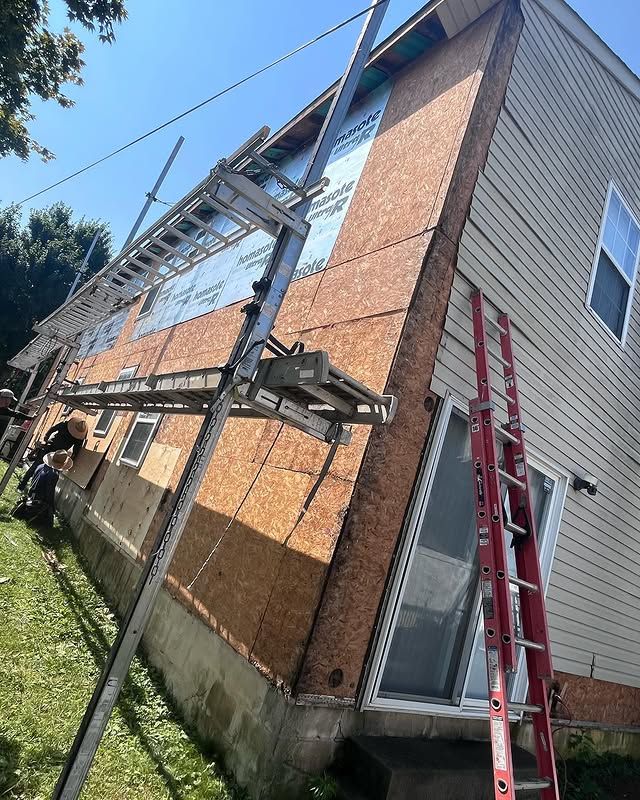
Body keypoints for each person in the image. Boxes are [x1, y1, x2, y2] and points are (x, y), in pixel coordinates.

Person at [17, 416, 87, 492]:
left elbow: (76, 450)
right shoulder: (65, 425)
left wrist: (72, 458)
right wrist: (46, 438)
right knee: (38, 467)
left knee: (43, 470)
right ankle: (23, 485)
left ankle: (31, 488)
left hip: (58, 454)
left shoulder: (74, 434)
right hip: (52, 449)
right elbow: (53, 429)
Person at [12, 449, 73, 527]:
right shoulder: (54, 474)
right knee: (48, 516)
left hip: (30, 496)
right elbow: (49, 493)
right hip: (39, 503)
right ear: (62, 464)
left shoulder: (40, 466)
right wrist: (52, 509)